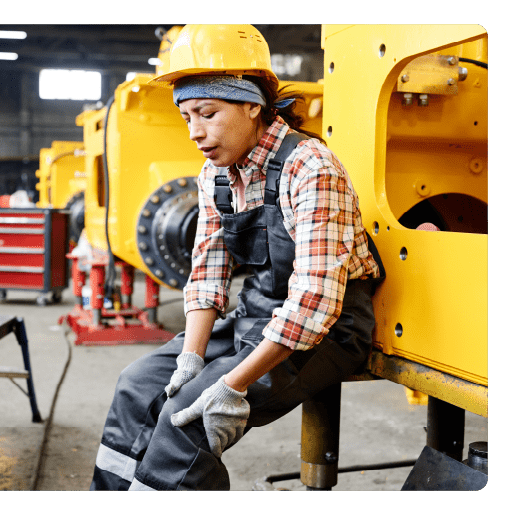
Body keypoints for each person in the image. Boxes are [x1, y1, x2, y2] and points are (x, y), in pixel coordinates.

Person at [90, 24, 384, 491]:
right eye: (186, 116)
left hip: (327, 332)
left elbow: (313, 305)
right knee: (137, 386)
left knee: (188, 420)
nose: (195, 132)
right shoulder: (217, 175)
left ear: (253, 105)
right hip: (258, 317)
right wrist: (191, 356)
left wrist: (231, 386)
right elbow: (207, 274)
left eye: (207, 113)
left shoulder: (309, 167)